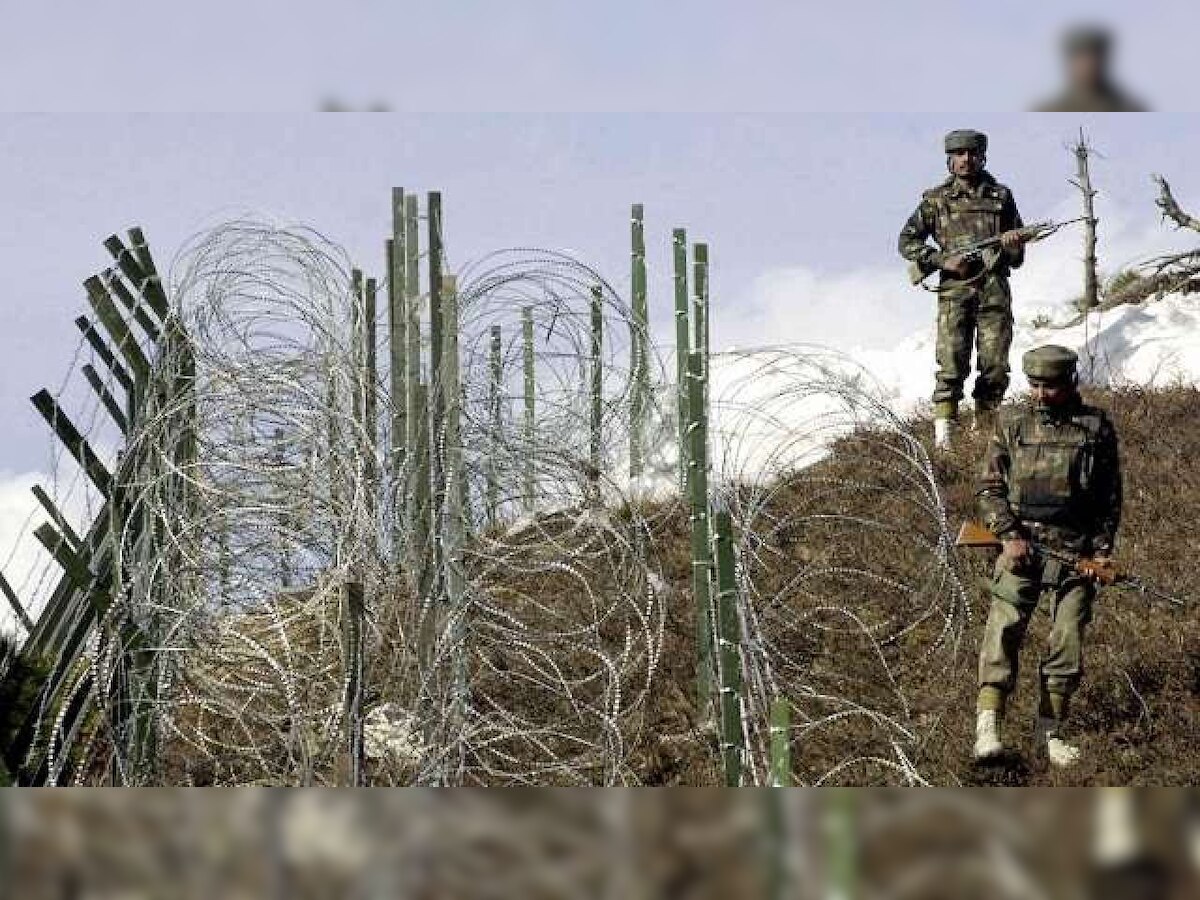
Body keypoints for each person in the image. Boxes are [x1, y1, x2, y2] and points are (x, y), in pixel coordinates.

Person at [973, 345, 1122, 767]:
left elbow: (1110, 499)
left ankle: (1049, 733)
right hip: (1021, 549)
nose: (1041, 394)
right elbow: (988, 487)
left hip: (1075, 554)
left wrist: (1101, 553)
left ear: (1070, 382)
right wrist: (1007, 535)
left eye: (1050, 386)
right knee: (1002, 631)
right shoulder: (1011, 423)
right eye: (1034, 385)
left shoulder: (1096, 427)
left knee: (1067, 640)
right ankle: (988, 727)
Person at [898, 129, 1027, 450]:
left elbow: (1017, 257)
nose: (966, 160)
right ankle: (945, 442)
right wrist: (942, 260)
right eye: (959, 154)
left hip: (994, 290)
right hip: (955, 292)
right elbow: (907, 242)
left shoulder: (1001, 197)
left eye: (972, 154)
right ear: (950, 160)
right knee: (952, 364)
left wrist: (1012, 244)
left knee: (995, 366)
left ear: (982, 157)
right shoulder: (935, 200)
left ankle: (984, 436)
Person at [1034, 26, 1146, 113]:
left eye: (1093, 57)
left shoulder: (1127, 107)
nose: (1088, 65)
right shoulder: (1051, 108)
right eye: (1081, 58)